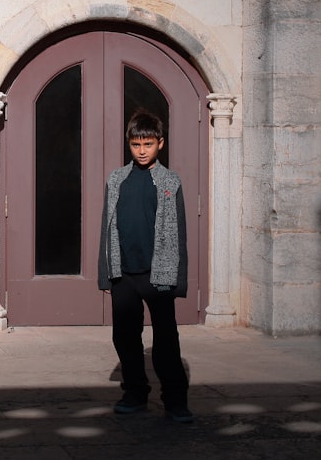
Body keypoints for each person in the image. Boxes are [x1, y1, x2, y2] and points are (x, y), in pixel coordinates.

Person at [98, 108, 192, 423]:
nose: (141, 151)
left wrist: (177, 280)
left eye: (148, 144)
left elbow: (178, 232)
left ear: (160, 144)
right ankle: (135, 393)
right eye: (136, 144)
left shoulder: (169, 180)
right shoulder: (116, 178)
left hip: (158, 275)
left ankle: (176, 401)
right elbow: (106, 227)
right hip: (124, 274)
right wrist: (106, 273)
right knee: (125, 336)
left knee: (166, 339)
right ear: (129, 143)